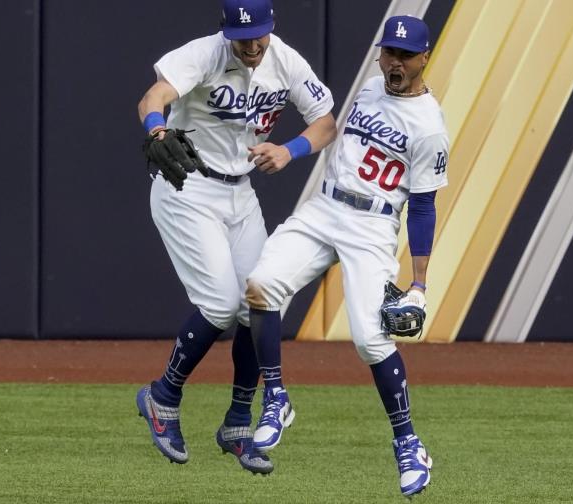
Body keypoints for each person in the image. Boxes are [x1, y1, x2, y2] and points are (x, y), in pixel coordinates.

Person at [244, 15, 448, 496]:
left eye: (405, 56)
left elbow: (422, 206)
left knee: (370, 341)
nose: (394, 63)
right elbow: (331, 130)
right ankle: (275, 397)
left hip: (373, 225)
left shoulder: (430, 127)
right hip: (326, 207)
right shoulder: (372, 89)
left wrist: (418, 283)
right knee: (260, 284)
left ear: (424, 58)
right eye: (389, 53)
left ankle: (408, 443)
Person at [134, 0, 336, 475]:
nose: (253, 45)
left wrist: (290, 150)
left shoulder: (285, 59)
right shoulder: (204, 54)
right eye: (243, 37)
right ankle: (162, 397)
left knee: (261, 301)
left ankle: (238, 422)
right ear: (225, 31)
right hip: (188, 186)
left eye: (260, 34)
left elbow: (326, 122)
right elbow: (152, 98)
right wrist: (158, 130)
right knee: (222, 305)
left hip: (240, 193)